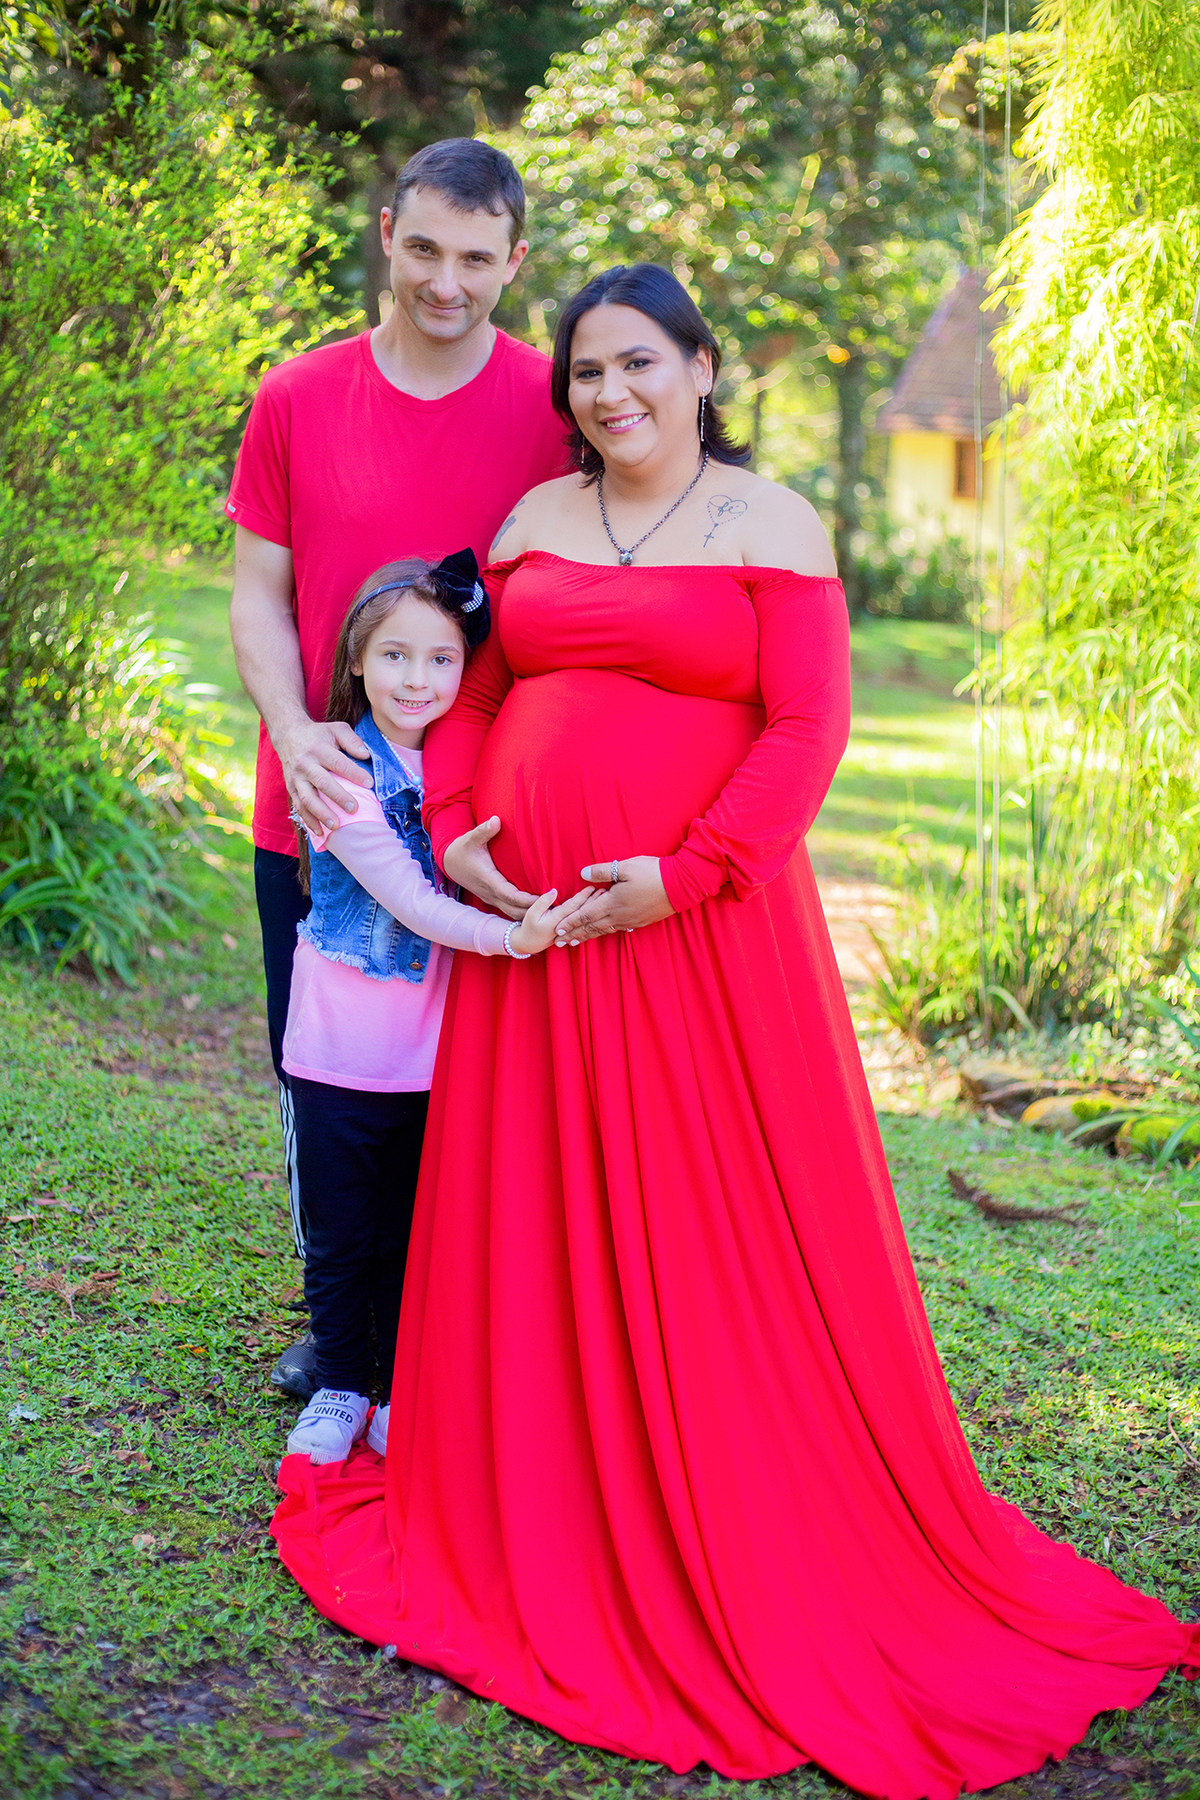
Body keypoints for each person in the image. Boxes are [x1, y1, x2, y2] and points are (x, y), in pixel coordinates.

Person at [271, 265, 1199, 1799]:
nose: (611, 394)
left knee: (714, 1215)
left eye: (640, 364)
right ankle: (543, 1483)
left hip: (704, 931)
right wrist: (468, 828)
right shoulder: (531, 528)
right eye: (586, 374)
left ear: (705, 368)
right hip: (544, 939)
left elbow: (805, 727)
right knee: (538, 1210)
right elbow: (485, 692)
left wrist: (688, 873)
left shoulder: (774, 526)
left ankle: (730, 1483)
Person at [227, 137, 566, 1401]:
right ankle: (341, 1323)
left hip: (486, 822)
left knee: (472, 1092)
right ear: (387, 234)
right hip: (316, 810)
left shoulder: (550, 409)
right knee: (327, 1079)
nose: (446, 280)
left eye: (477, 259)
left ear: (514, 263)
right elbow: (259, 597)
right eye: (425, 247)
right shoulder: (298, 398)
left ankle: (446, 1324)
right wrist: (294, 725)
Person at [281, 550, 588, 1466]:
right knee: (341, 1237)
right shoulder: (337, 773)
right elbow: (413, 905)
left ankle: (391, 1391)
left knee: (412, 1237)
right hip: (336, 1053)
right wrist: (516, 934)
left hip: (435, 1058)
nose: (418, 680)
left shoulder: (480, 770)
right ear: (357, 666)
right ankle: (340, 1384)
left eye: (442, 659)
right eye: (395, 658)